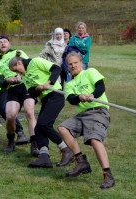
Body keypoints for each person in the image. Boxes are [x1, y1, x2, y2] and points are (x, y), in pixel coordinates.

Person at [57, 52, 115, 189]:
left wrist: (92, 95)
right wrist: (79, 97)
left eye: (75, 63)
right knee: (63, 128)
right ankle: (81, 162)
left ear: (81, 63)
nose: (73, 66)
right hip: (81, 115)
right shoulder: (70, 84)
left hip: (98, 111)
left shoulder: (90, 72)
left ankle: (108, 175)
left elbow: (101, 86)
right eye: (70, 64)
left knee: (94, 139)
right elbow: (71, 99)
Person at [8, 52, 73, 167]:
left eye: (16, 70)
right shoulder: (25, 77)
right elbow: (31, 93)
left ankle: (66, 149)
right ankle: (44, 157)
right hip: (45, 100)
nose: (17, 73)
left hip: (55, 96)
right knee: (38, 128)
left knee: (44, 125)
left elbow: (56, 69)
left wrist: (48, 83)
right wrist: (38, 89)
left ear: (19, 62)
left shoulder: (36, 61)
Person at [0, 35, 35, 154]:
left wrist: (21, 75)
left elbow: (30, 65)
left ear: (9, 43)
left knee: (29, 112)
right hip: (12, 89)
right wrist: (8, 80)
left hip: (26, 86)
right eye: (0, 42)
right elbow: (0, 81)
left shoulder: (18, 53)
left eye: (5, 41)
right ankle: (11, 141)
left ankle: (34, 144)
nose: (2, 44)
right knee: (10, 115)